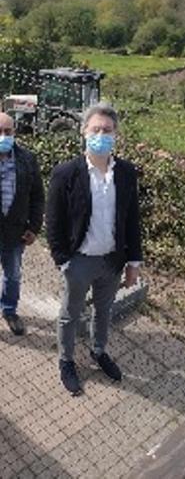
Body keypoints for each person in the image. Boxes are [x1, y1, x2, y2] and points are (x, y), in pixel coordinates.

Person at [46, 104, 143, 396]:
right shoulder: (66, 174)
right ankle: (66, 360)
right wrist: (64, 262)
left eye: (107, 130)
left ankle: (98, 352)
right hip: (79, 262)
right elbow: (53, 223)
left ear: (116, 135)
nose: (101, 135)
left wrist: (133, 262)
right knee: (70, 314)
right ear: (84, 132)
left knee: (104, 311)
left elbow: (132, 219)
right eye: (96, 130)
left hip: (112, 261)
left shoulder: (126, 173)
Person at [0, 111, 45, 336]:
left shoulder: (27, 160)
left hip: (15, 231)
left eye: (7, 132)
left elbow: (38, 196)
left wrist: (34, 227)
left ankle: (9, 310)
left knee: (13, 274)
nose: (3, 136)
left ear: (14, 133)